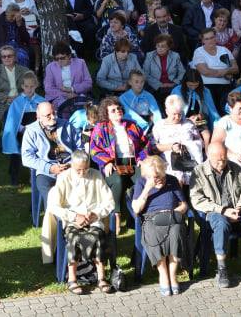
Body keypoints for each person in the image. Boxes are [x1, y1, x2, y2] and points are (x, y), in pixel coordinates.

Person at [191, 144, 241, 288]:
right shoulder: (198, 172)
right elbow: (197, 199)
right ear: (208, 156)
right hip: (214, 211)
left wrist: (240, 207)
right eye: (218, 161)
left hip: (237, 208)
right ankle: (221, 268)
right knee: (221, 224)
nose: (222, 163)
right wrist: (222, 210)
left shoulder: (235, 168)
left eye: (224, 159)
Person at [47, 150, 116, 295]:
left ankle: (101, 278)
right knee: (74, 238)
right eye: (78, 169)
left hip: (94, 219)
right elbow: (53, 206)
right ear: (72, 165)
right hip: (73, 220)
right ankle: (72, 279)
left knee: (97, 236)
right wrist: (74, 216)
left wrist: (96, 213)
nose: (82, 172)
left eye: (85, 169)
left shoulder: (96, 175)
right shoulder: (63, 178)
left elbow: (109, 202)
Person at [90, 96, 154, 234]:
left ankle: (137, 216)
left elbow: (145, 144)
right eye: (113, 110)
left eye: (118, 108)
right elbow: (94, 149)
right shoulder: (101, 128)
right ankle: (116, 215)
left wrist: (142, 158)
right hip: (113, 163)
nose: (117, 111)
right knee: (117, 181)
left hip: (132, 162)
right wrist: (106, 162)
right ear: (106, 114)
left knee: (142, 180)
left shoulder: (131, 125)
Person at [131, 155, 188, 296]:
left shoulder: (172, 181)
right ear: (146, 175)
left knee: (176, 231)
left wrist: (176, 211)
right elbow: (136, 209)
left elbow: (184, 204)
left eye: (160, 175)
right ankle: (163, 274)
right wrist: (147, 189)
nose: (158, 179)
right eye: (153, 177)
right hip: (151, 219)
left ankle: (172, 274)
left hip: (172, 216)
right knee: (153, 233)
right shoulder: (141, 183)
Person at [151, 95, 205, 187]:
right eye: (174, 114)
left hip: (190, 162)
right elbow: (153, 147)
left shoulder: (189, 123)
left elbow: (199, 141)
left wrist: (192, 145)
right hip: (169, 164)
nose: (177, 117)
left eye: (180, 114)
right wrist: (171, 146)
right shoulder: (159, 126)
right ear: (167, 111)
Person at [2, 71, 45, 184]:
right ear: (22, 86)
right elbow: (13, 121)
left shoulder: (41, 101)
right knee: (17, 152)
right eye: (26, 86)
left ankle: (35, 174)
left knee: (40, 148)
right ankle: (14, 176)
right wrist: (23, 129)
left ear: (36, 85)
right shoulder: (17, 102)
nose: (29, 89)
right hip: (21, 133)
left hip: (37, 131)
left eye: (32, 86)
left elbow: (44, 117)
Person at [190, 27, 239, 107]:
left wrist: (222, 72)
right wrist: (225, 72)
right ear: (202, 41)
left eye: (212, 37)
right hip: (207, 86)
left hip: (226, 85)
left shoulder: (224, 50)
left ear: (215, 37)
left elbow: (236, 69)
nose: (210, 40)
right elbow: (205, 71)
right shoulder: (199, 51)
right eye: (207, 39)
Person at [43, 41, 93, 107]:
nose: (59, 61)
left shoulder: (80, 63)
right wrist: (66, 94)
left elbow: (88, 83)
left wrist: (72, 89)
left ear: (69, 56)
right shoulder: (50, 67)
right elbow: (48, 88)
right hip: (58, 97)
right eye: (56, 59)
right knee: (63, 106)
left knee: (81, 106)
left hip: (78, 94)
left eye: (62, 58)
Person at [0, 45, 30, 123]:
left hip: (23, 101)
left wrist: (19, 98)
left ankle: (26, 133)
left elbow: (30, 88)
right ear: (1, 58)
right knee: (10, 117)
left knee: (31, 116)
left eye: (9, 56)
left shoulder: (25, 70)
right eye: (3, 56)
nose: (6, 58)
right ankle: (13, 134)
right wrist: (7, 98)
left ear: (14, 57)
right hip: (5, 104)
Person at [142, 34, 185, 104]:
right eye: (158, 46)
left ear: (168, 47)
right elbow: (145, 73)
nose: (159, 48)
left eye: (163, 46)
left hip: (172, 85)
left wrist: (175, 82)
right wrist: (159, 84)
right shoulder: (150, 55)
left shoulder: (175, 56)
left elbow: (182, 72)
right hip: (155, 86)